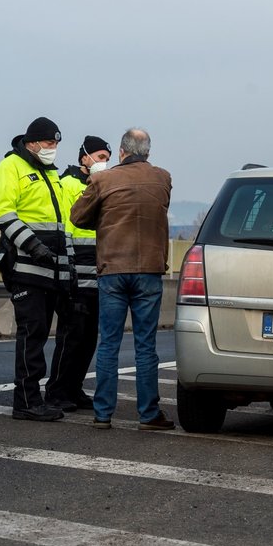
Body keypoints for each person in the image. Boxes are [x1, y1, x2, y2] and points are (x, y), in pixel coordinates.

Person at [70, 128, 175, 430]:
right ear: (148, 153)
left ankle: (103, 414)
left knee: (109, 345)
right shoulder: (162, 178)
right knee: (145, 345)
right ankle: (149, 414)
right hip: (149, 272)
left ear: (121, 152)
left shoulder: (103, 180)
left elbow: (78, 217)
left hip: (112, 270)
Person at [0, 117, 75, 421]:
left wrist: (67, 273)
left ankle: (33, 398)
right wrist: (33, 245)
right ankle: (25, 401)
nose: (53, 149)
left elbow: (61, 226)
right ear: (33, 142)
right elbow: (2, 211)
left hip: (49, 271)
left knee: (39, 335)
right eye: (49, 144)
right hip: (25, 265)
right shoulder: (11, 166)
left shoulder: (49, 173)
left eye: (56, 144)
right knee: (32, 333)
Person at [44, 136, 113, 412]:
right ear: (84, 158)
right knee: (71, 337)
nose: (103, 162)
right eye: (99, 157)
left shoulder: (102, 186)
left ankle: (74, 388)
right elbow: (66, 229)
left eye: (107, 158)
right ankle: (57, 390)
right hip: (76, 275)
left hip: (97, 275)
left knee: (88, 339)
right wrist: (67, 271)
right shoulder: (68, 184)